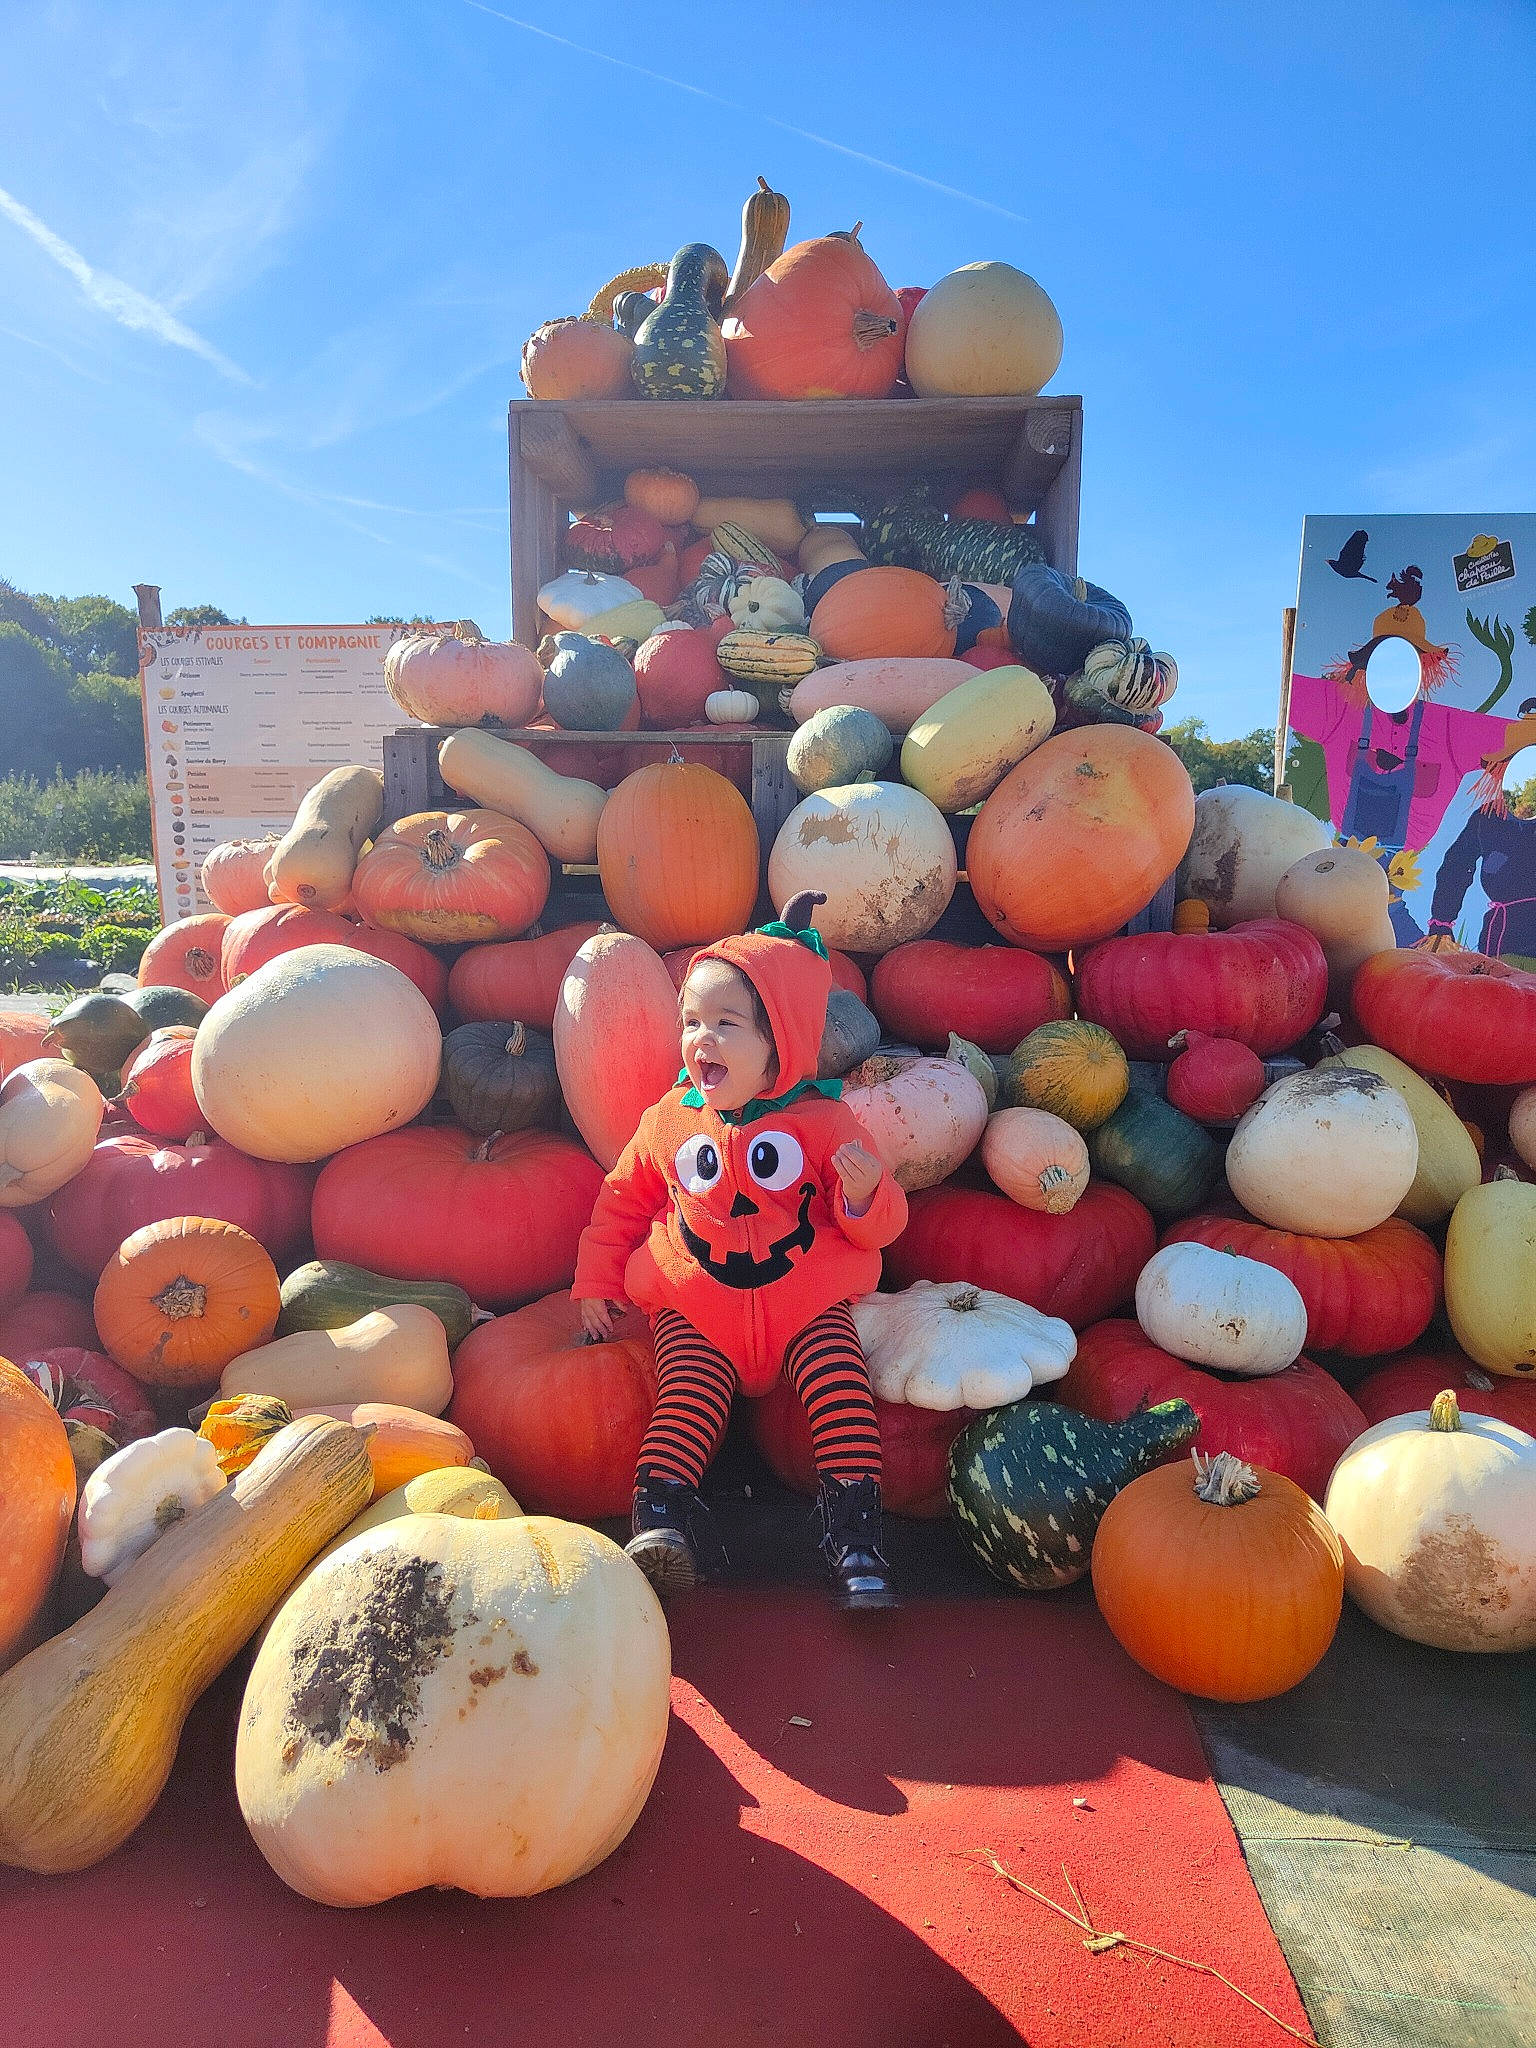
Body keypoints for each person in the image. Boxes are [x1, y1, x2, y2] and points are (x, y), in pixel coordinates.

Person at [572, 891, 906, 1610]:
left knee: (840, 1387)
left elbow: (879, 1229)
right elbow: (622, 1201)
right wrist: (595, 1277)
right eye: (692, 1023)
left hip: (803, 1299)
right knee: (685, 1402)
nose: (703, 1041)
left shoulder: (823, 1122)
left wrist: (865, 1194)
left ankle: (854, 1534)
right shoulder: (666, 1122)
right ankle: (661, 1522)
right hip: (698, 1302)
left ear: (777, 1045)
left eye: (727, 1025)